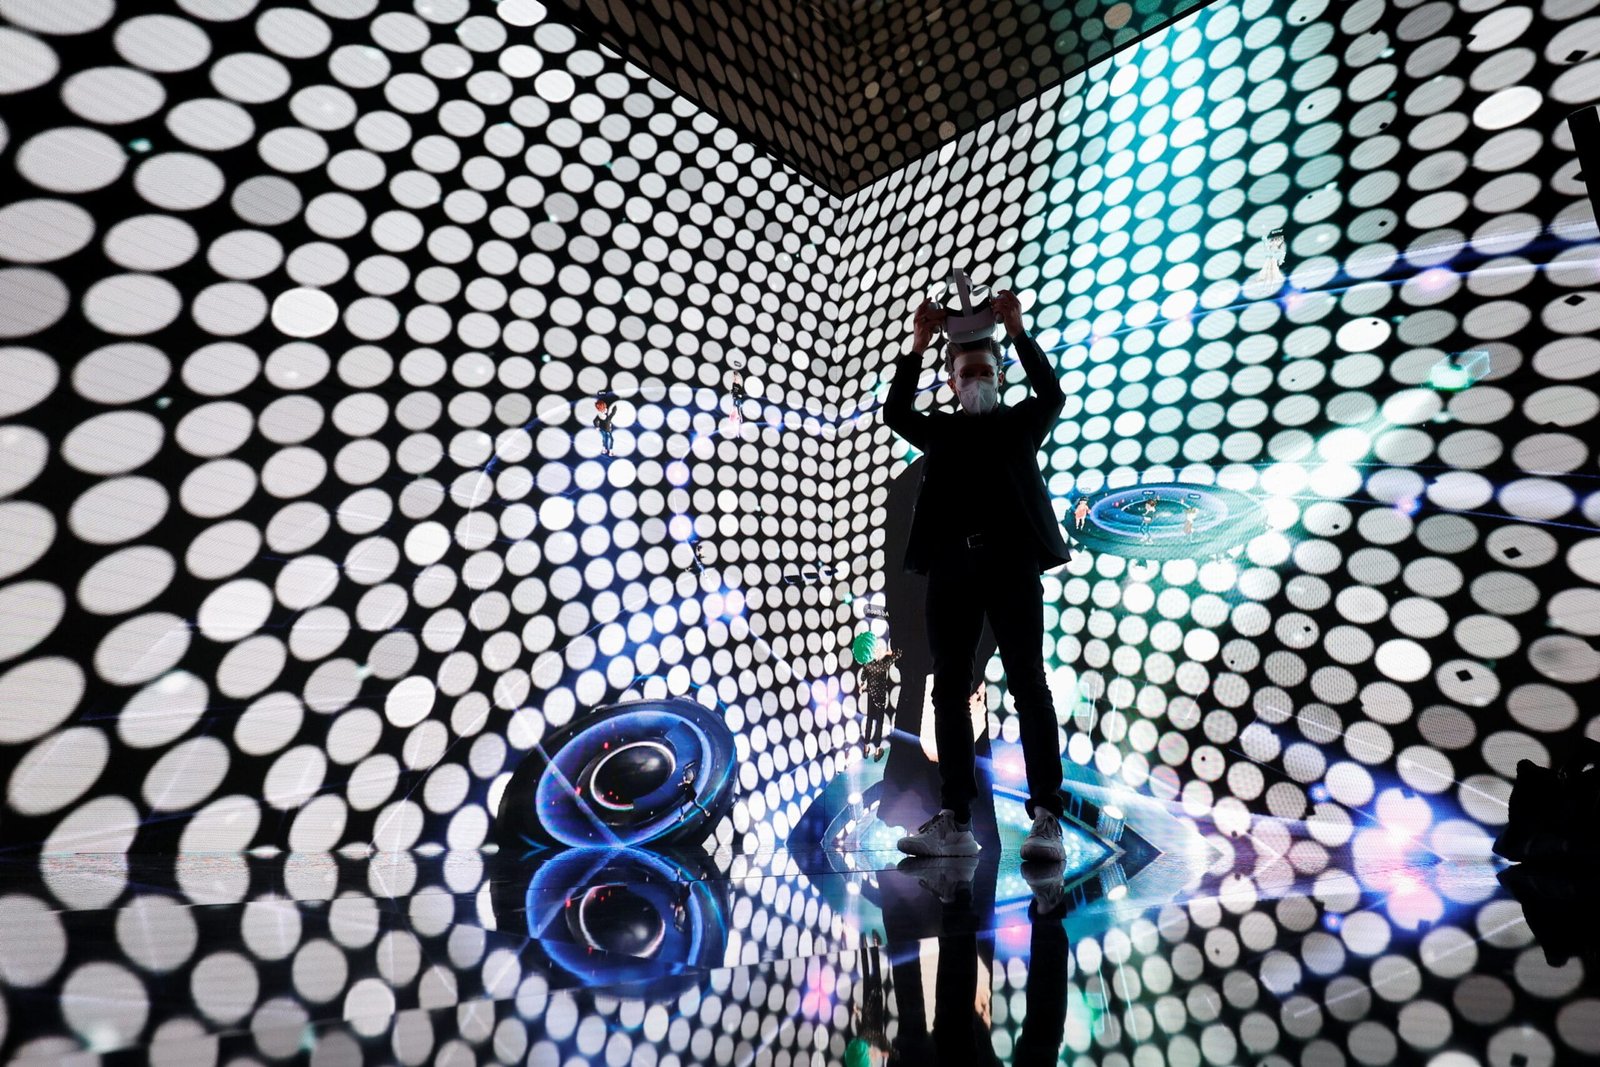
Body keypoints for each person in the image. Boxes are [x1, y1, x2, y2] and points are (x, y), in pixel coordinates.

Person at [884, 286, 1073, 863]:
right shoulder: (942, 432)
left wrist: (1016, 331)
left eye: (985, 371)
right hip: (952, 568)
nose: (977, 380)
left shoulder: (1020, 424)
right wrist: (918, 345)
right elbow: (896, 414)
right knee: (949, 687)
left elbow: (1053, 394)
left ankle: (1047, 818)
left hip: (1012, 564)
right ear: (951, 382)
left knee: (1028, 682)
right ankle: (955, 821)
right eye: (967, 373)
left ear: (1000, 375)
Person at [860, 639, 903, 761]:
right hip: (881, 698)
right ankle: (877, 750)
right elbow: (899, 653)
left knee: (869, 721)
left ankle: (866, 748)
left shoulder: (867, 664)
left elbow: (863, 677)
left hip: (871, 696)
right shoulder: (884, 666)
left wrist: (862, 685)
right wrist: (887, 653)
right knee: (879, 723)